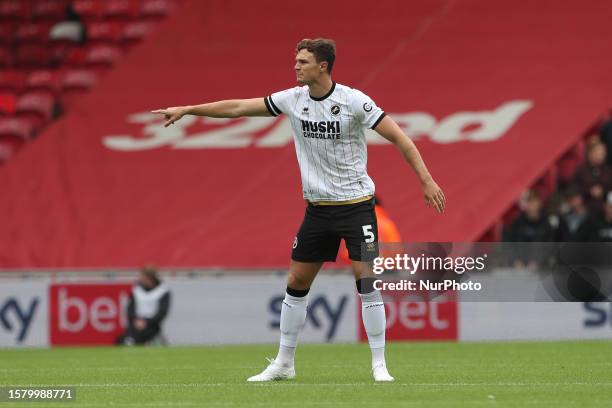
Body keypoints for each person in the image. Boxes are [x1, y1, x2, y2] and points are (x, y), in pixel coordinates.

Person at [152, 38, 445, 382]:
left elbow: (400, 138)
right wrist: (188, 108)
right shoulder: (292, 100)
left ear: (322, 66)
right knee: (296, 281)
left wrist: (426, 181)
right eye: (296, 61)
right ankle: (284, 363)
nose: (296, 67)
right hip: (318, 211)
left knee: (366, 281)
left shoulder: (353, 101)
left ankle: (379, 365)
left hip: (356, 209)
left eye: (303, 62)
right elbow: (237, 108)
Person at [115, 266, 171, 345]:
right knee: (123, 339)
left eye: (143, 277)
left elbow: (162, 312)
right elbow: (130, 309)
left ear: (150, 278)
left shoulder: (162, 291)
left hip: (152, 326)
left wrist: (146, 322)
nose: (140, 279)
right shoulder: (137, 290)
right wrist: (136, 320)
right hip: (136, 324)